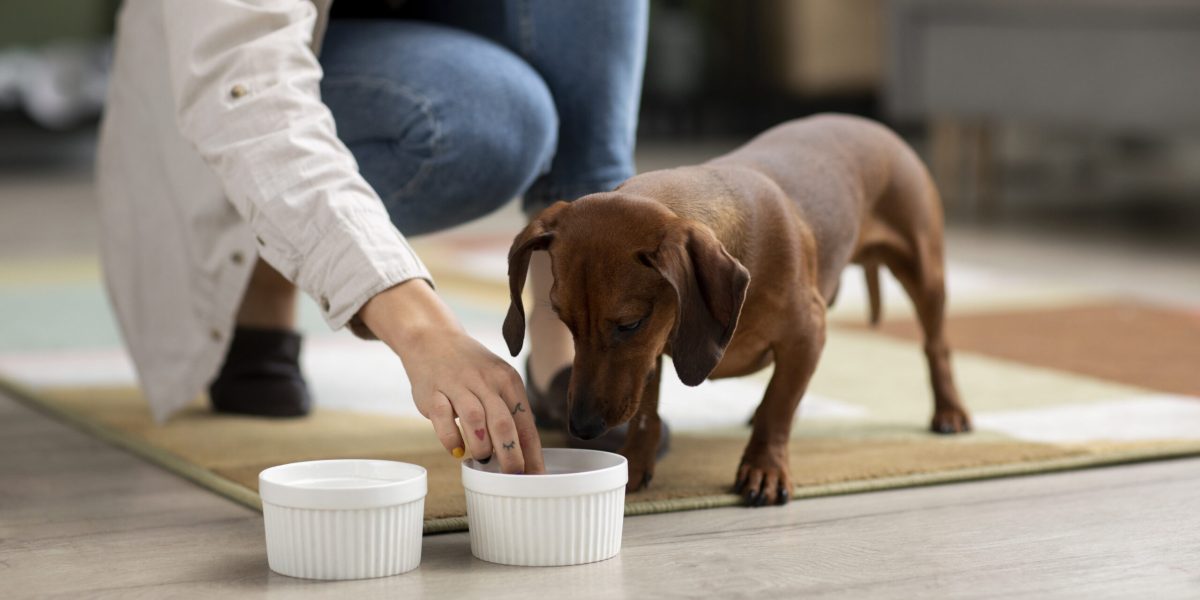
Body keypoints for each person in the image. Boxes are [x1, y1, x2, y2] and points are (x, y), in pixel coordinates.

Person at [95, 0, 651, 475]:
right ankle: (260, 277)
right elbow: (247, 87)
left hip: (429, 26)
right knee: (493, 122)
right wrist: (424, 331)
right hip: (256, 71)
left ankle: (566, 331)